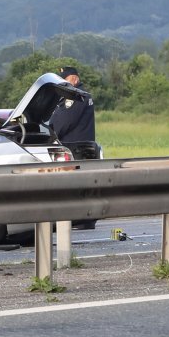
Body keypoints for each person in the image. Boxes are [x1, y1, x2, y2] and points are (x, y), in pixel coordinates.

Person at [51, 65, 99, 229]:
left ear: (75, 79)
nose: (63, 84)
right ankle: (85, 219)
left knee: (76, 186)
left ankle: (83, 219)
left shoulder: (76, 97)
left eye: (66, 80)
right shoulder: (83, 96)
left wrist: (50, 132)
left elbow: (64, 122)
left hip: (75, 147)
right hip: (82, 146)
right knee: (82, 185)